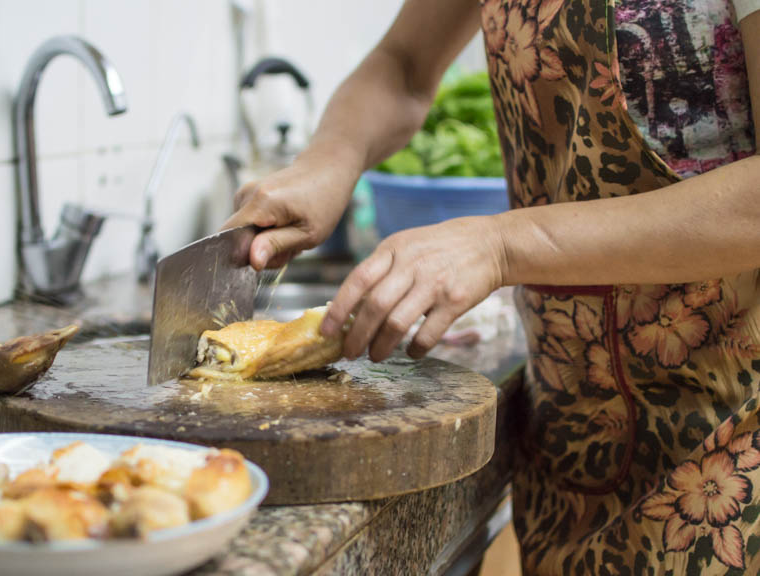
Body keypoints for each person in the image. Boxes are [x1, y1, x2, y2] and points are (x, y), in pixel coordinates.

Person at [225, 0, 760, 573]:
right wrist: (330, 159)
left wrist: (501, 245)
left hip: (732, 444)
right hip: (570, 436)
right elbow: (404, 63)